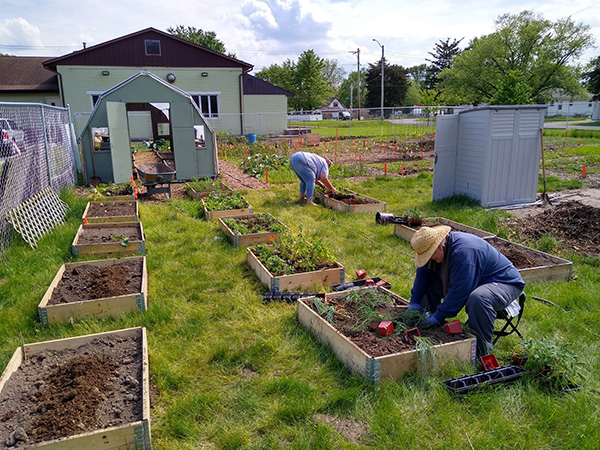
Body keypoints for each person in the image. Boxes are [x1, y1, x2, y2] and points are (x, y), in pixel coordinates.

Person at [408, 225, 525, 357]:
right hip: (474, 277)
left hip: (504, 282)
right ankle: (424, 327)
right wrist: (415, 302)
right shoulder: (441, 249)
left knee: (479, 298)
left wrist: (438, 316)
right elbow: (423, 274)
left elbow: (458, 292)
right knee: (430, 281)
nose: (429, 259)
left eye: (430, 256)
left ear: (439, 247)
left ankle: (481, 348)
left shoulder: (463, 253)